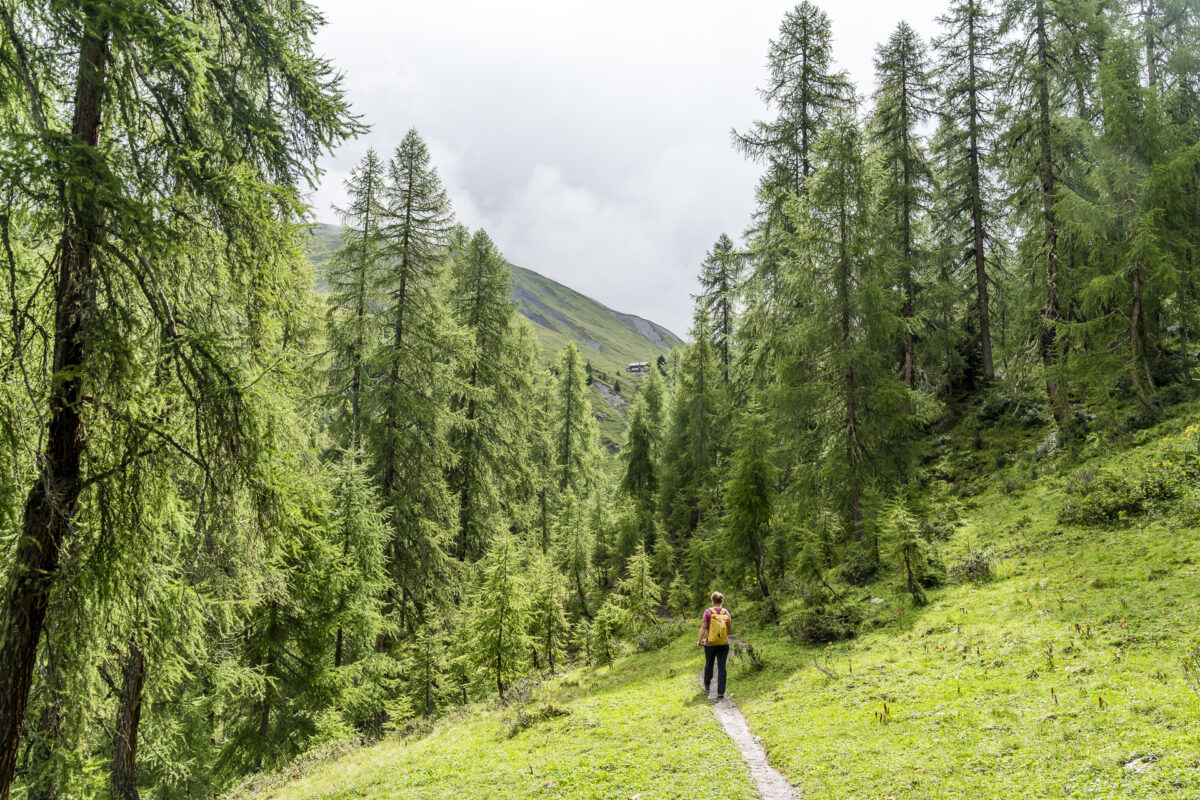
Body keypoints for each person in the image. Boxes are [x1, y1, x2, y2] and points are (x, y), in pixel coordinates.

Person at [697, 591, 731, 699]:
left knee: (709, 664)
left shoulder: (708, 612)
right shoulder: (726, 612)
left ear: (712, 601)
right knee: (722, 667)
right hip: (724, 644)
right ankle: (721, 692)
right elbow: (729, 630)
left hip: (710, 644)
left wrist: (699, 640)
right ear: (722, 601)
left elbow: (703, 627)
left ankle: (707, 686)